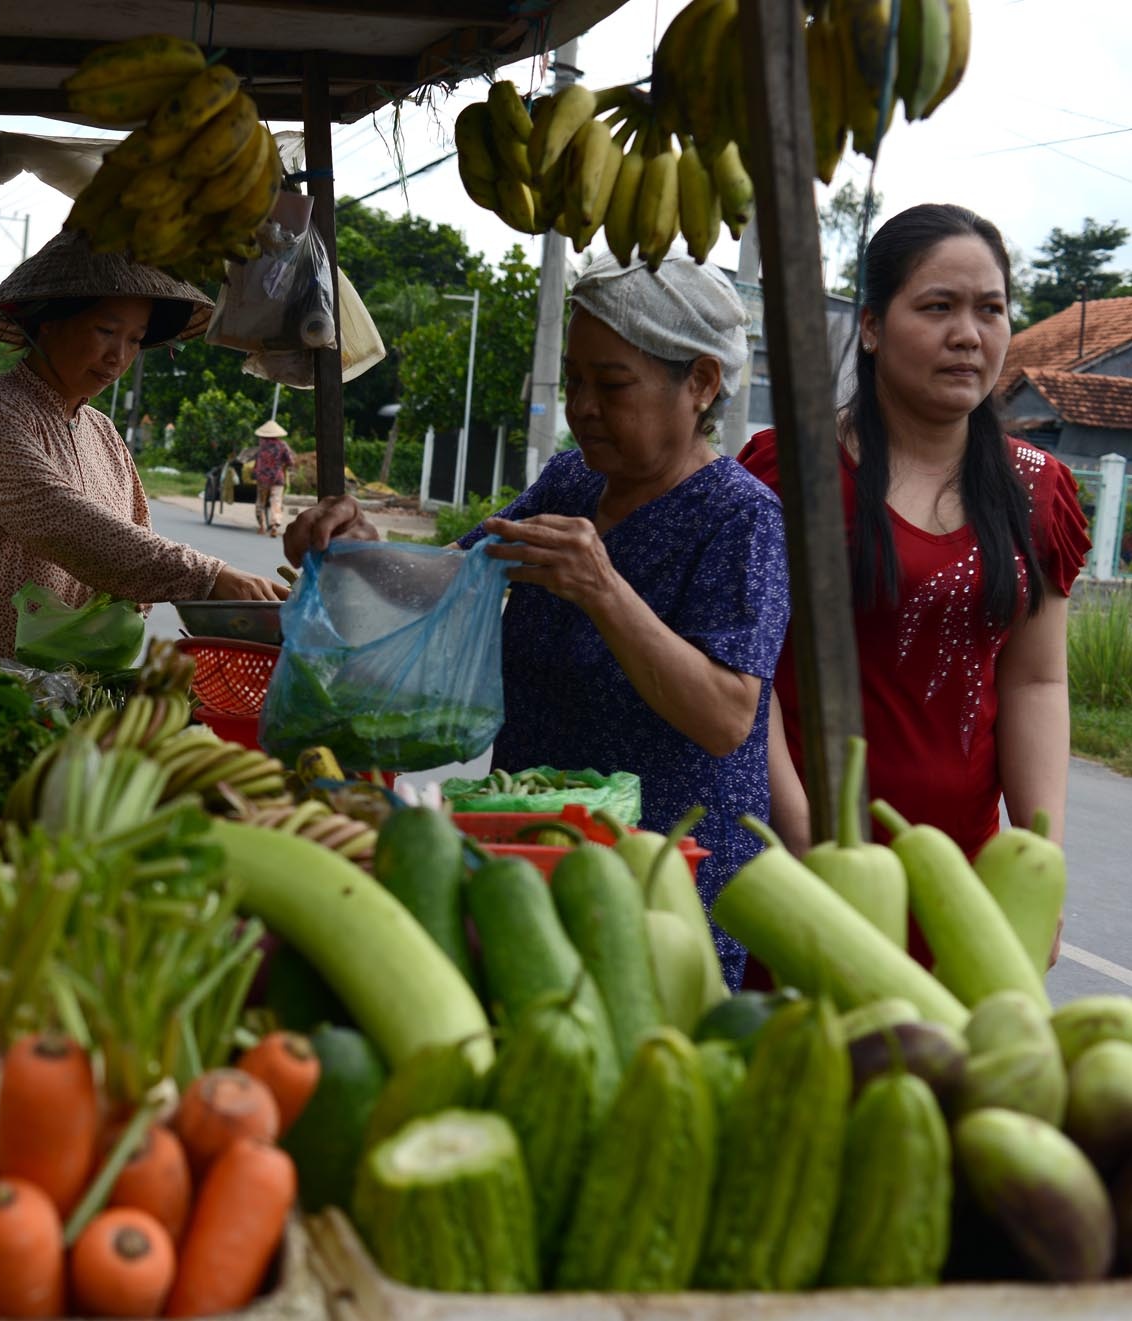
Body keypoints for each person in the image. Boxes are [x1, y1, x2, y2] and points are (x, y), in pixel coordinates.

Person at [289, 254, 789, 987]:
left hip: (659, 898)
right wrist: (358, 547)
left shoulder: (742, 517)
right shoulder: (570, 481)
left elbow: (726, 716)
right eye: (576, 381)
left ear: (702, 383)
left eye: (611, 384)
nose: (583, 406)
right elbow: (443, 585)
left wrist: (604, 591)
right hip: (527, 862)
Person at [741, 204, 1091, 870]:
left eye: (990, 309)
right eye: (938, 307)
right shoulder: (789, 471)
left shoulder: (1037, 488)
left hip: (963, 876)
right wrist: (803, 834)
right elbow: (746, 677)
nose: (969, 335)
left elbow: (1036, 683)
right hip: (798, 864)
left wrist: (1037, 866)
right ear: (871, 327)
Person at [0, 230, 285, 659]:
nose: (118, 356)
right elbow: (62, 522)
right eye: (105, 330)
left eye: (135, 339)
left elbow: (134, 548)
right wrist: (208, 576)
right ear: (48, 323)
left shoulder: (102, 431)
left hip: (80, 687)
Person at [251, 419, 296, 537]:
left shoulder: (261, 445)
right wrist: (283, 466)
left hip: (263, 478)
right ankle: (275, 524)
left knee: (260, 502)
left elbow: (256, 462)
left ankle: (262, 526)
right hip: (277, 478)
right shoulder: (282, 445)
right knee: (276, 502)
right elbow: (290, 461)